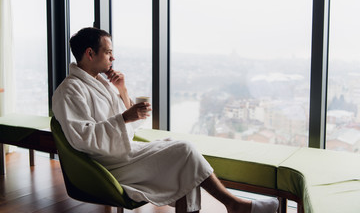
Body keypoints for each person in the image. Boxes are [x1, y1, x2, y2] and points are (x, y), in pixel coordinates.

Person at [52, 27, 279, 213]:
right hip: (107, 164)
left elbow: (127, 124)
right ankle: (234, 204)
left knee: (178, 151)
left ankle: (234, 205)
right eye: (108, 52)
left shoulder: (100, 83)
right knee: (184, 151)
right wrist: (123, 118)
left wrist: (122, 91)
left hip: (122, 152)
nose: (113, 57)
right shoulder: (70, 91)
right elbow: (82, 138)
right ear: (90, 54)